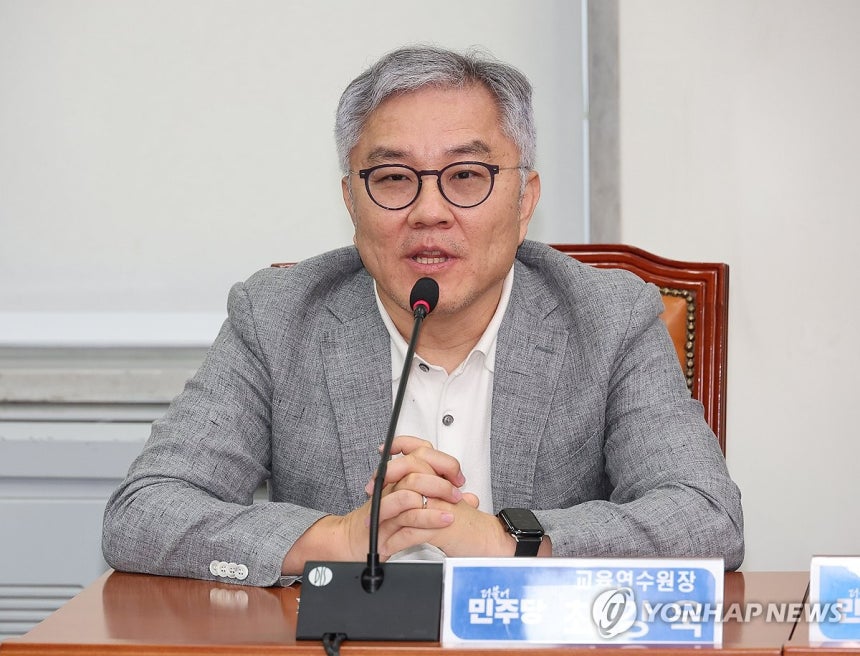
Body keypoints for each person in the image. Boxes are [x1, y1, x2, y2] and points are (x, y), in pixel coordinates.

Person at [102, 45, 744, 587]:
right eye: (392, 178)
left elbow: (706, 518)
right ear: (351, 201)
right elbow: (144, 512)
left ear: (525, 201)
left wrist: (503, 541)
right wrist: (338, 539)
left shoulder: (609, 317)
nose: (429, 211)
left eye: (466, 175)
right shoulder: (277, 317)